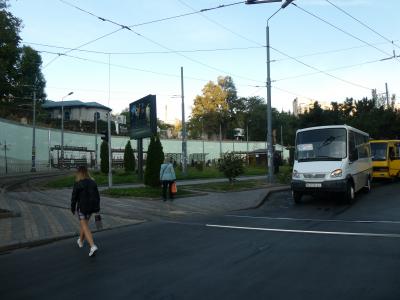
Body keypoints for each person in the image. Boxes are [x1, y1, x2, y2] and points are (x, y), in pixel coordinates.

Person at [71, 165, 100, 257]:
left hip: (82, 208)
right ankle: (80, 240)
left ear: (79, 173)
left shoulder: (78, 183)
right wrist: (97, 208)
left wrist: (72, 208)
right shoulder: (93, 182)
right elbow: (97, 196)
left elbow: (74, 197)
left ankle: (92, 246)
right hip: (91, 208)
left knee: (85, 226)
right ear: (87, 172)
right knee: (84, 225)